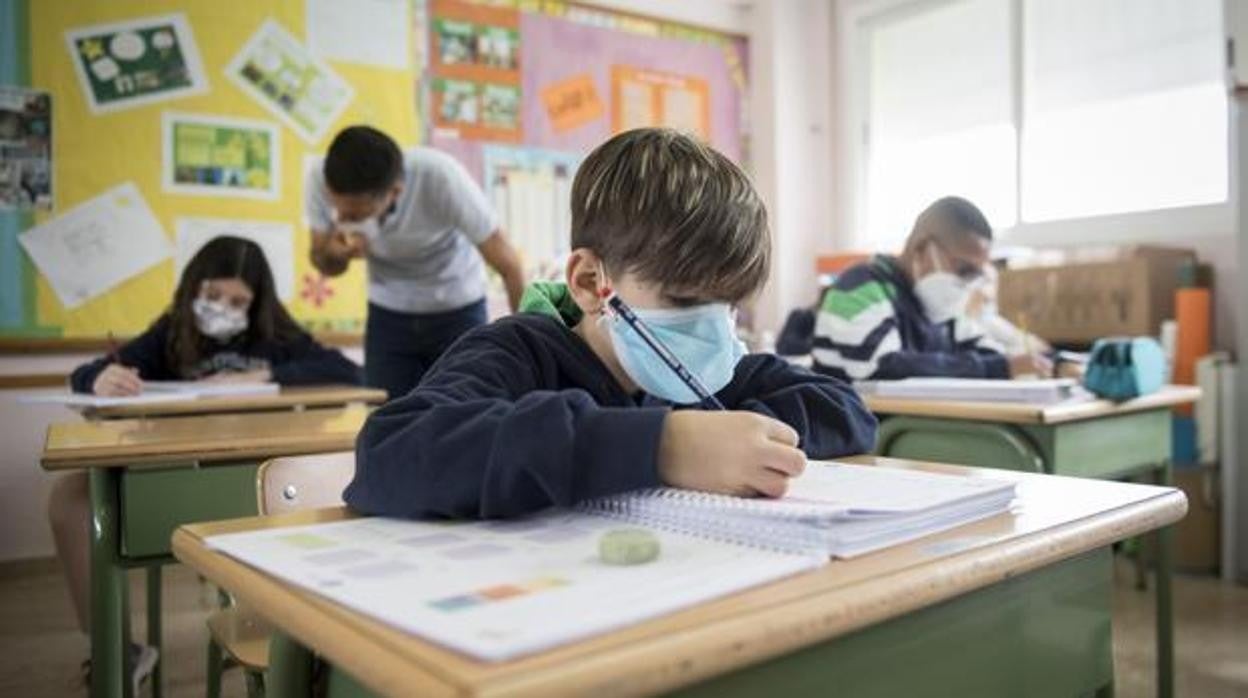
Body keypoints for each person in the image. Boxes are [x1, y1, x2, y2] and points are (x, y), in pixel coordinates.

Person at [344, 128, 878, 520]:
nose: (712, 328)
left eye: (729, 304)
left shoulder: (713, 371)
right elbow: (390, 453)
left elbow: (847, 410)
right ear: (590, 281)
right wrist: (662, 446)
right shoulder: (517, 352)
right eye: (685, 298)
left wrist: (744, 439)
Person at [49, 236, 360, 690]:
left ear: (256, 305)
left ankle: (318, 640)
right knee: (70, 499)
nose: (222, 308)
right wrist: (99, 377)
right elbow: (86, 374)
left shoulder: (274, 337)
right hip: (179, 470)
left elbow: (347, 371)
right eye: (213, 296)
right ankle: (114, 649)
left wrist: (267, 374)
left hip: (261, 472)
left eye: (238, 301)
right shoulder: (170, 334)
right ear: (194, 289)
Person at [306, 125, 527, 398]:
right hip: (388, 313)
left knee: (467, 411)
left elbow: (509, 265)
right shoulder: (320, 178)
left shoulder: (439, 177)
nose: (343, 220)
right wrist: (337, 255)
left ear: (395, 192)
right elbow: (324, 263)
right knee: (385, 418)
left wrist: (529, 347)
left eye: (355, 216)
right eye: (339, 211)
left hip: (457, 307)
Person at [811, 197, 1051, 382]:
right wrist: (999, 367)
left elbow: (991, 352)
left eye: (976, 274)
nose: (968, 284)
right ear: (921, 248)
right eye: (963, 269)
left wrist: (1049, 363)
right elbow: (884, 366)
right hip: (863, 434)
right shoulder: (861, 285)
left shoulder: (938, 307)